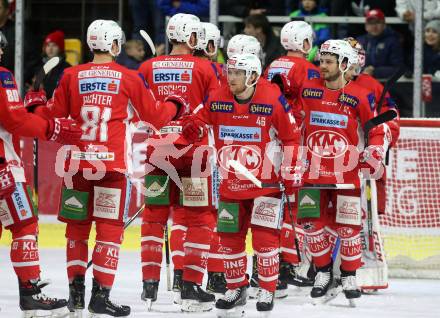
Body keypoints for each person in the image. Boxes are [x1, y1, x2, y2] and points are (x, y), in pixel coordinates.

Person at [30, 19, 186, 317]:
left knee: (76, 233)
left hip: (76, 166)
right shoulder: (128, 77)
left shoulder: (71, 76)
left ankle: (76, 297)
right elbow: (155, 117)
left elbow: (52, 115)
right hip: (110, 169)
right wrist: (174, 104)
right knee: (109, 233)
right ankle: (100, 296)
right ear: (114, 45)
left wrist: (36, 100)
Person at [182, 52, 302, 316]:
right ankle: (236, 288)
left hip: (266, 185)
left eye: (238, 73)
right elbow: (199, 120)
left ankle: (267, 288)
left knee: (264, 238)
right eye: (230, 72)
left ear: (253, 76)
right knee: (230, 239)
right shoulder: (218, 96)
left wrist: (291, 169)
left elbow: (292, 138)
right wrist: (192, 127)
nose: (231, 77)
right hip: (231, 184)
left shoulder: (272, 98)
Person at [293, 39, 388, 303]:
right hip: (311, 172)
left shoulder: (360, 95)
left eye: (328, 62)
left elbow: (377, 130)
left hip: (346, 174)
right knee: (310, 224)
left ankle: (348, 275)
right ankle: (322, 272)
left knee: (348, 227)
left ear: (345, 65)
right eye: (321, 61)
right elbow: (290, 119)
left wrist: (375, 150)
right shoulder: (308, 89)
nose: (321, 66)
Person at [138, 13, 220, 312]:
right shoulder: (206, 67)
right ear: (193, 38)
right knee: (199, 217)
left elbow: (138, 108)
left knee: (155, 215)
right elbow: (215, 106)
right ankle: (190, 284)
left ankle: (149, 282)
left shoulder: (147, 67)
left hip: (156, 152)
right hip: (192, 155)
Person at [0, 30, 82, 317]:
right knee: (25, 225)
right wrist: (53, 128)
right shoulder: (2, 75)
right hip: (2, 169)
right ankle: (31, 292)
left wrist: (30, 105)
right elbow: (14, 120)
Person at [263, 20, 321, 293]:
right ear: (305, 43)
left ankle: (269, 266)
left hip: (270, 142)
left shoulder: (272, 64)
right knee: (294, 207)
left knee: (274, 204)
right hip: (294, 140)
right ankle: (286, 265)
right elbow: (313, 103)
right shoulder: (308, 69)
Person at [193, 22, 228, 296]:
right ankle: (216, 276)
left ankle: (184, 276)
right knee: (212, 217)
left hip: (177, 150)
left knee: (187, 219)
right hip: (212, 152)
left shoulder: (184, 68)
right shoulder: (217, 71)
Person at [357, 9, 404, 79]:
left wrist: (375, 72)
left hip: (385, 84)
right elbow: (350, 66)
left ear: (384, 25)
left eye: (378, 22)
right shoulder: (359, 42)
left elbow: (398, 68)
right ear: (366, 26)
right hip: (362, 83)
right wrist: (363, 71)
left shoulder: (393, 42)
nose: (374, 26)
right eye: (371, 23)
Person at [32, 30, 71, 98]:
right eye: (48, 45)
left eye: (54, 45)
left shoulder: (67, 68)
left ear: (60, 48)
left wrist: (43, 89)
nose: (50, 49)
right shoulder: (40, 66)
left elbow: (62, 91)